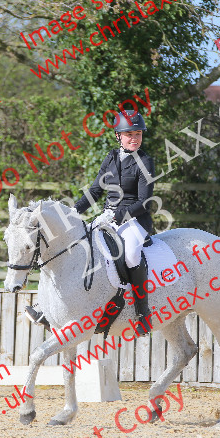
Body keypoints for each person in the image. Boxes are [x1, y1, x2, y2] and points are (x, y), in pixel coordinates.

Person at [25, 109, 156, 335]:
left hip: (134, 220)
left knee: (131, 254)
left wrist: (117, 215)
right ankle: (48, 309)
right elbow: (95, 191)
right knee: (77, 247)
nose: (134, 138)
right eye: (129, 134)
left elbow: (144, 201)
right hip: (107, 218)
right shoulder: (111, 158)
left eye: (138, 134)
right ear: (118, 136)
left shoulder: (145, 161)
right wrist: (73, 212)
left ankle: (143, 313)